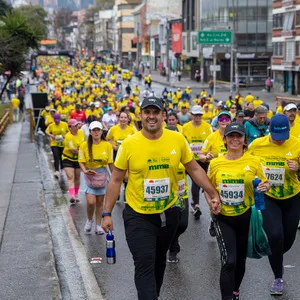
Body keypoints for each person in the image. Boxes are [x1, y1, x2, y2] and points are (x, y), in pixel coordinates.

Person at [102, 97, 221, 300]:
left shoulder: (176, 140)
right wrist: (106, 213)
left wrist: (212, 193)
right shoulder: (129, 144)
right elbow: (115, 180)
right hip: (138, 215)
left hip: (168, 213)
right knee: (144, 261)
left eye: (155, 112)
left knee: (158, 262)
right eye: (147, 112)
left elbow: (193, 168)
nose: (151, 116)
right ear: (140, 116)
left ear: (163, 116)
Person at [207, 122, 269, 300]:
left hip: (246, 216)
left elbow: (265, 182)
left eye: (239, 136)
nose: (235, 139)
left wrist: (266, 186)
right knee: (229, 261)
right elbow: (208, 188)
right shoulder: (216, 163)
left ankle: (235, 291)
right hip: (223, 217)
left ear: (244, 140)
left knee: (240, 260)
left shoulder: (254, 161)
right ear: (224, 140)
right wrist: (213, 201)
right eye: (231, 136)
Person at [248, 114, 300, 296]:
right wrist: (254, 180)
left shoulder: (296, 143)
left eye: (283, 137)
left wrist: (299, 168)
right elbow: (248, 164)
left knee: (287, 240)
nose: (280, 141)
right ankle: (278, 278)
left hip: (292, 197)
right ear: (269, 131)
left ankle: (276, 252)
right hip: (268, 197)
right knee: (275, 235)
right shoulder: (257, 145)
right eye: (277, 137)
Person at [199, 111, 232, 236]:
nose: (224, 121)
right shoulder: (211, 137)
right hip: (215, 173)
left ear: (230, 121)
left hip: (232, 173)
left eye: (227, 118)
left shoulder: (235, 136)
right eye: (221, 119)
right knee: (214, 198)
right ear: (217, 122)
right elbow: (200, 155)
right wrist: (206, 157)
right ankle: (214, 219)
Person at [78, 121, 114, 235]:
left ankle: (98, 225)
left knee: (99, 202)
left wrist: (114, 177)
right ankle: (89, 220)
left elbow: (110, 163)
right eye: (94, 130)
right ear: (90, 132)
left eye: (98, 129)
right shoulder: (84, 145)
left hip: (102, 176)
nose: (96, 132)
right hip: (89, 176)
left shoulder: (107, 145)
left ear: (102, 131)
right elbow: (81, 161)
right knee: (91, 201)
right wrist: (85, 171)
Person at [182, 105, 213, 219]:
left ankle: (211, 205)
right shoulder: (185, 127)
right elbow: (183, 143)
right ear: (191, 115)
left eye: (199, 115)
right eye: (195, 115)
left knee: (205, 183)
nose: (197, 117)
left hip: (204, 160)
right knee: (196, 182)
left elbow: (211, 142)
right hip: (191, 160)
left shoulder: (207, 127)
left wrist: (207, 155)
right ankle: (196, 205)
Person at [62, 118, 85, 204]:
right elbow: (74, 151)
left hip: (78, 159)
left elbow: (84, 144)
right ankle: (71, 196)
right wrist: (81, 149)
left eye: (77, 125)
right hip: (68, 158)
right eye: (74, 126)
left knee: (77, 177)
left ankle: (76, 194)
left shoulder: (81, 132)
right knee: (70, 176)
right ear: (70, 128)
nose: (77, 127)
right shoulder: (68, 137)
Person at [45, 114, 69, 178]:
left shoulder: (64, 124)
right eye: (55, 120)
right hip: (54, 143)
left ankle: (62, 169)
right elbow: (46, 131)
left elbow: (69, 131)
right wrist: (51, 135)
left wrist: (64, 136)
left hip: (62, 143)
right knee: (56, 156)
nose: (57, 122)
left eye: (58, 120)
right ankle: (57, 170)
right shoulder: (51, 125)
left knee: (62, 156)